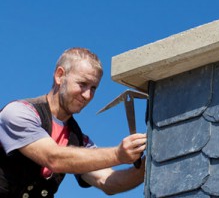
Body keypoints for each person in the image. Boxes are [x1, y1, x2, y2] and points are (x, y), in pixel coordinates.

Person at [0, 48, 147, 198]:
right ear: (60, 76)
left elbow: (107, 182)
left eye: (93, 88)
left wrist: (149, 165)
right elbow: (53, 158)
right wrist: (118, 154)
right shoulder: (18, 113)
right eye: (82, 84)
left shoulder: (78, 140)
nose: (87, 95)